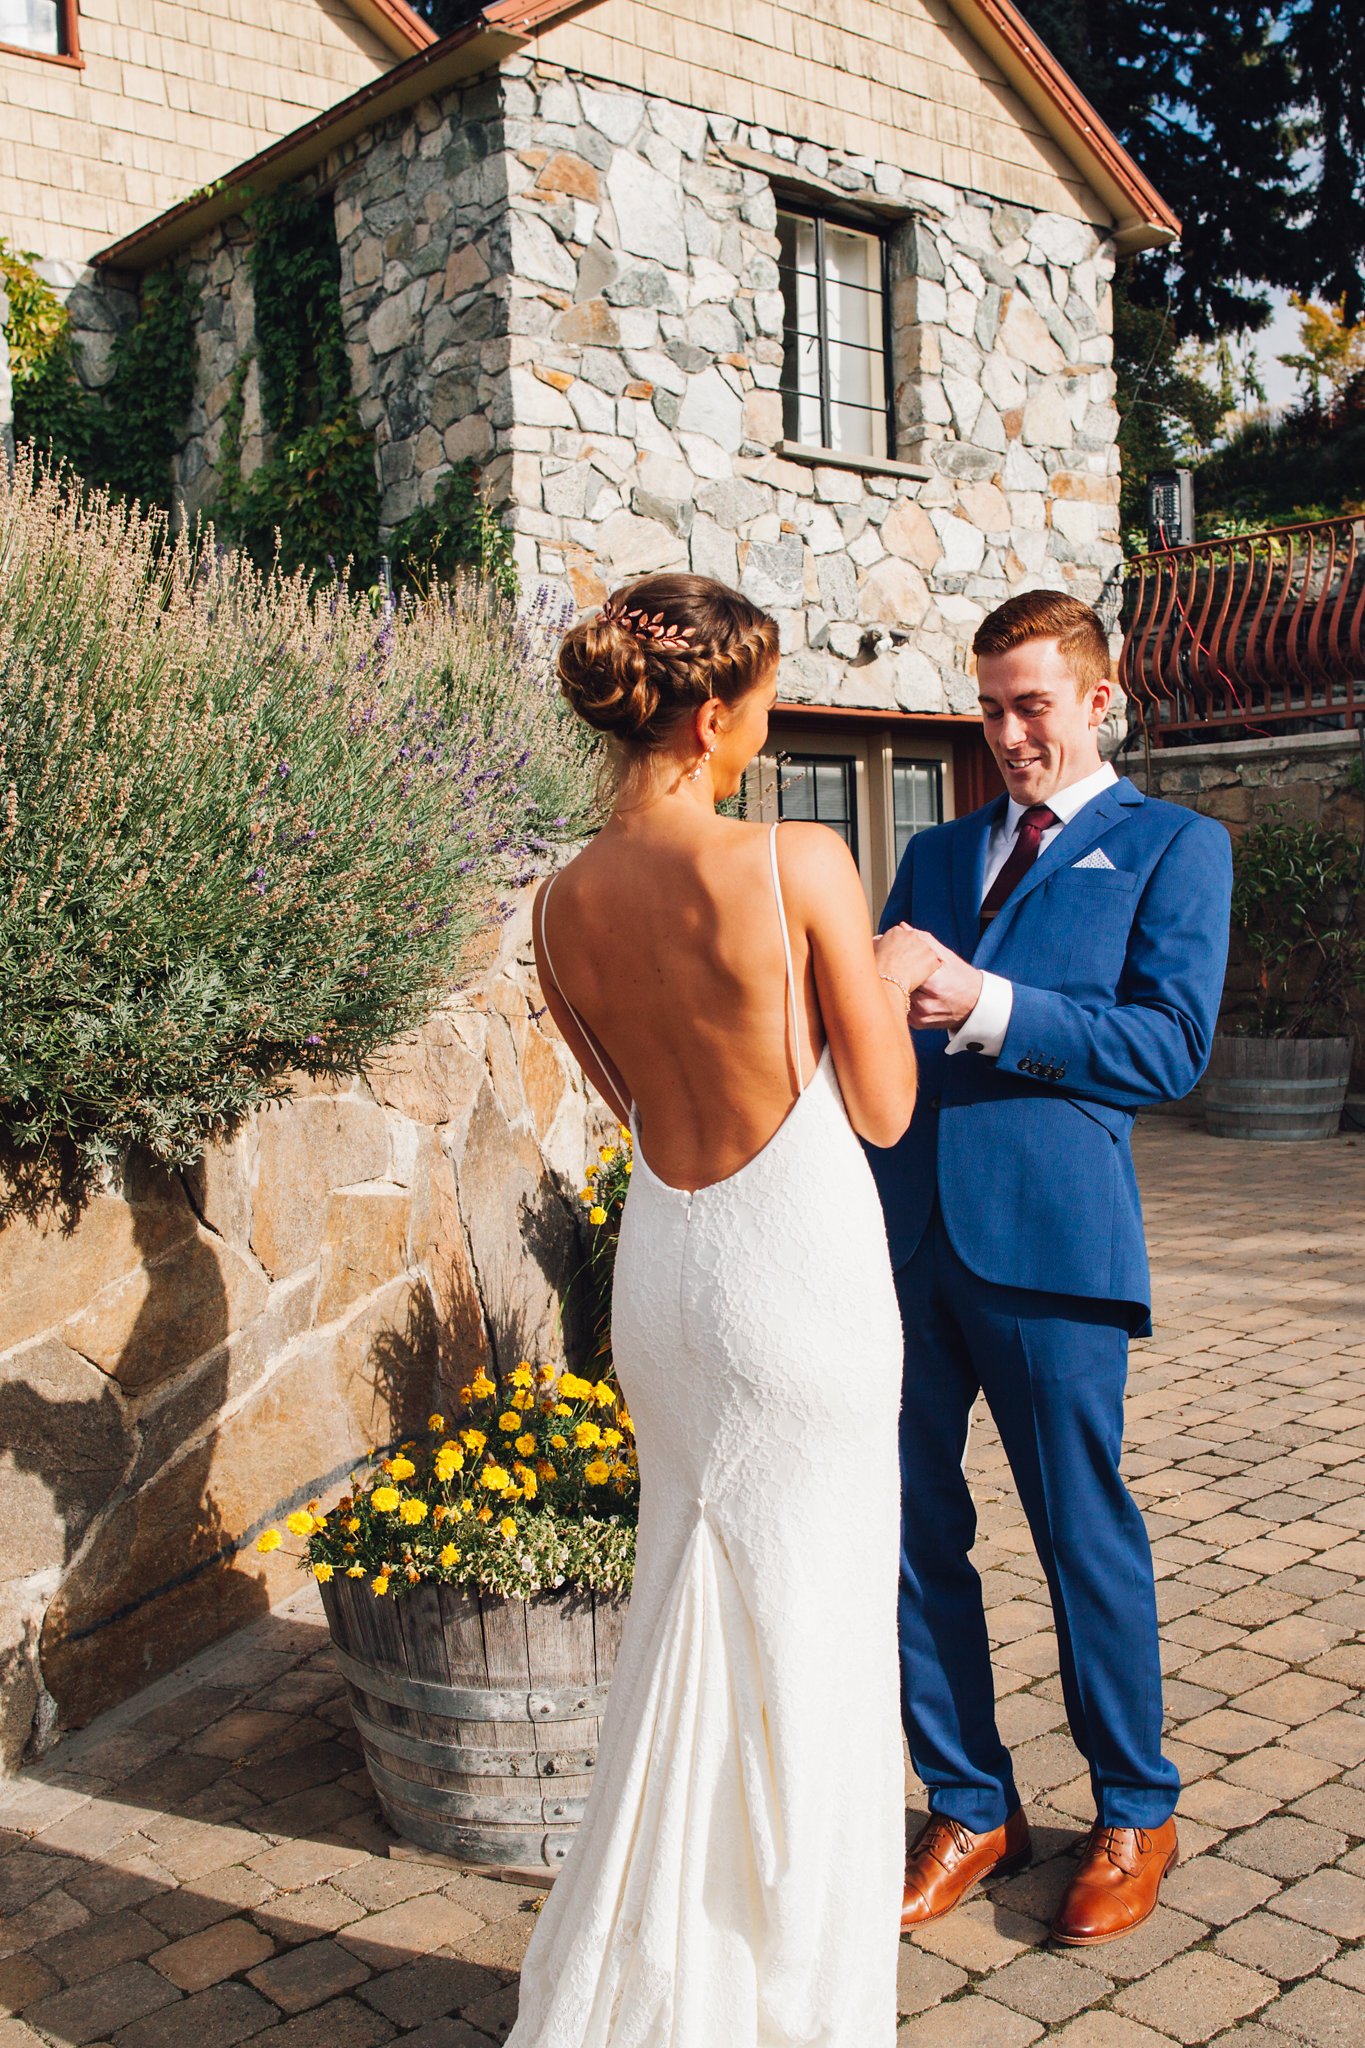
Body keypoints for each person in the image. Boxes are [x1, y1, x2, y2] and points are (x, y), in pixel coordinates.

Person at [509, 572, 939, 2048]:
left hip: (673, 1282)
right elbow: (878, 1112)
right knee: (811, 1643)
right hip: (798, 1275)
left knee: (686, 1617)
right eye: (756, 714)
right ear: (706, 716)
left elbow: (628, 1098)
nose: (760, 740)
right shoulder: (794, 860)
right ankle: (791, 2013)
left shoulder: (557, 907)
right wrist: (873, 982)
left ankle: (656, 1989)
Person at [868, 590, 1232, 1946]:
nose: (1008, 734)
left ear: (1095, 698)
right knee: (909, 1533)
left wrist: (986, 1003)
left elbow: (1166, 1048)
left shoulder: (1171, 848)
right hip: (904, 1241)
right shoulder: (934, 851)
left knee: (1081, 1534)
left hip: (1050, 1248)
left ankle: (1134, 1809)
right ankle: (969, 1805)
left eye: (1029, 705)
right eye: (987, 708)